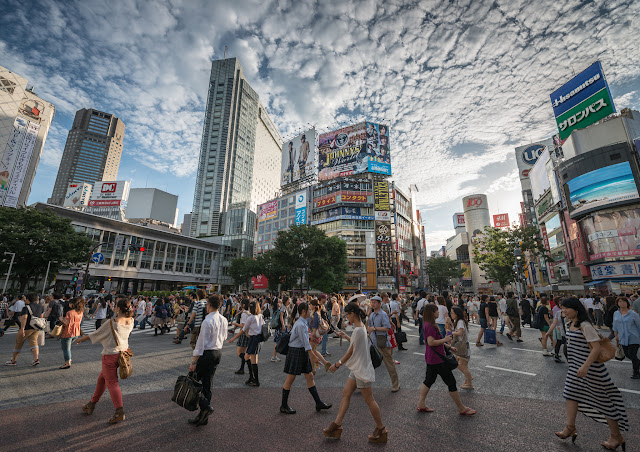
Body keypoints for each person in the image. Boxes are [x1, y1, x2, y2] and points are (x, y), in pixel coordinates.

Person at [556, 297, 628, 450]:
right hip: (575, 369)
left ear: (576, 309)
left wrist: (586, 366)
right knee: (570, 394)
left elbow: (595, 348)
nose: (564, 311)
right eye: (562, 308)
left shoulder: (585, 325)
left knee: (604, 402)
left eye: (566, 308)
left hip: (591, 370)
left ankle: (616, 436)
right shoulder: (570, 324)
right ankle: (569, 427)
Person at [324, 302, 386, 443]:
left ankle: (381, 429)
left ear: (352, 314)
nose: (346, 318)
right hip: (358, 368)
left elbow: (351, 351)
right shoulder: (361, 327)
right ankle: (337, 425)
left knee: (369, 400)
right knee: (346, 393)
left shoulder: (359, 329)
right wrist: (346, 336)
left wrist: (337, 364)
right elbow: (356, 343)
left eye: (347, 315)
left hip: (361, 369)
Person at [76, 297, 134, 424]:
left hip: (110, 354)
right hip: (123, 354)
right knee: (102, 379)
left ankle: (119, 411)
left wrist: (80, 339)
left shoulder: (112, 322)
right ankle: (91, 404)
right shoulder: (131, 320)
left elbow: (96, 334)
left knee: (112, 383)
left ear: (118, 308)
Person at [417, 304, 477, 416]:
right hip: (438, 359)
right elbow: (431, 342)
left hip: (432, 358)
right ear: (432, 313)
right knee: (451, 382)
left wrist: (448, 347)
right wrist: (445, 339)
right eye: (436, 311)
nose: (438, 313)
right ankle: (461, 408)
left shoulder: (428, 324)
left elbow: (436, 341)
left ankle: (421, 404)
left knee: (428, 380)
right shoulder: (430, 326)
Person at [279, 302, 332, 415]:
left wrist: (312, 354)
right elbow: (305, 343)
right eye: (308, 310)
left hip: (299, 351)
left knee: (310, 376)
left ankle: (318, 402)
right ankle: (283, 406)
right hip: (296, 352)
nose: (310, 312)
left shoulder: (302, 322)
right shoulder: (300, 324)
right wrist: (312, 355)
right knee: (290, 379)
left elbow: (305, 342)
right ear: (303, 311)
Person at [187, 295, 228, 426]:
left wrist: (194, 362)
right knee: (207, 383)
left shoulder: (207, 321)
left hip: (207, 353)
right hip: (218, 352)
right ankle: (203, 416)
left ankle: (205, 407)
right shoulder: (223, 319)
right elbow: (225, 337)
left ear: (209, 305)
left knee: (192, 382)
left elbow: (200, 343)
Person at [368, 296, 400, 392]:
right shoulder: (372, 315)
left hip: (382, 342)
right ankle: (361, 383)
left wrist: (375, 328)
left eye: (374, 302)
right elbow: (369, 327)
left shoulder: (383, 315)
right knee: (367, 364)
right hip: (373, 343)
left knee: (389, 364)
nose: (372, 304)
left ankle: (396, 385)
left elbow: (387, 328)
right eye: (371, 302)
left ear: (379, 303)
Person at [229, 300, 264, 386]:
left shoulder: (251, 318)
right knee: (248, 358)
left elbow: (243, 330)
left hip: (253, 339)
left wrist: (233, 338)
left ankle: (255, 380)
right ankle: (252, 378)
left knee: (251, 359)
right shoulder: (260, 316)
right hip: (258, 339)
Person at [4, 293, 44, 366]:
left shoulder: (26, 307)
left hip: (27, 328)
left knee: (18, 343)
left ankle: (13, 360)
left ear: (28, 299)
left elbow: (24, 318)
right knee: (34, 343)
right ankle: (36, 359)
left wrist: (22, 328)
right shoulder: (40, 307)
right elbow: (41, 317)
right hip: (36, 328)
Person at [612, 297, 640, 379]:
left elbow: (639, 325)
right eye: (620, 301)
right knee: (628, 355)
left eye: (624, 301)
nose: (622, 303)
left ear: (627, 303)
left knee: (632, 354)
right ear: (617, 303)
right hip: (622, 338)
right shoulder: (616, 314)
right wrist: (616, 336)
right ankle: (637, 364)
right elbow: (615, 326)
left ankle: (636, 373)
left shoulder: (633, 314)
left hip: (634, 337)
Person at [59, 297, 85, 369]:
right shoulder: (80, 312)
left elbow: (66, 323)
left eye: (70, 303)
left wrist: (61, 319)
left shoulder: (69, 313)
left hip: (68, 332)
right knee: (68, 347)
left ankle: (67, 362)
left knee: (66, 348)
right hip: (76, 332)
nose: (69, 304)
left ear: (73, 304)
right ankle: (68, 360)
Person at [451, 306, 473, 389]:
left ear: (456, 314)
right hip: (463, 346)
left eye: (452, 313)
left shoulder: (460, 321)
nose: (451, 314)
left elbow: (459, 333)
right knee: (462, 365)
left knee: (460, 365)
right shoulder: (459, 321)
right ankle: (468, 378)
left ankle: (469, 382)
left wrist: (451, 333)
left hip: (463, 347)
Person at [546, 298, 567, 363]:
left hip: (570, 334)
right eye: (560, 304)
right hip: (562, 333)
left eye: (561, 304)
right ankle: (556, 355)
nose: (560, 305)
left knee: (567, 348)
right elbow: (554, 323)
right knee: (560, 343)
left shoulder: (570, 312)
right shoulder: (558, 313)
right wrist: (548, 333)